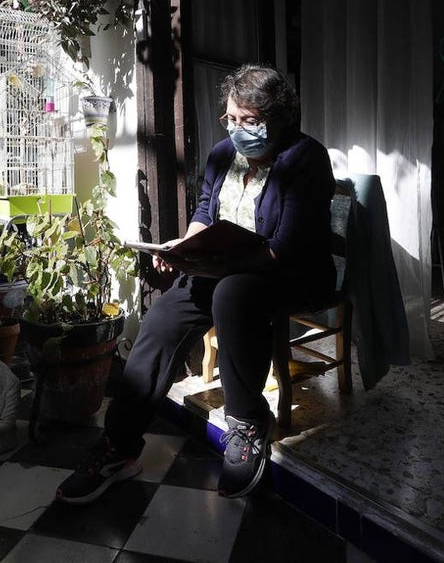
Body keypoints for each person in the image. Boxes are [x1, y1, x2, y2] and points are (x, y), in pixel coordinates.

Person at [56, 64, 336, 504]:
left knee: (235, 292)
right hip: (221, 268)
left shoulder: (305, 159)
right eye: (231, 118)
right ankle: (119, 446)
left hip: (288, 273)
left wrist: (223, 263)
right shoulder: (223, 153)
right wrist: (185, 247)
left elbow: (288, 246)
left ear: (279, 119)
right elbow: (206, 209)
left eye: (251, 120)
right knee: (163, 317)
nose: (238, 129)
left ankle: (246, 422)